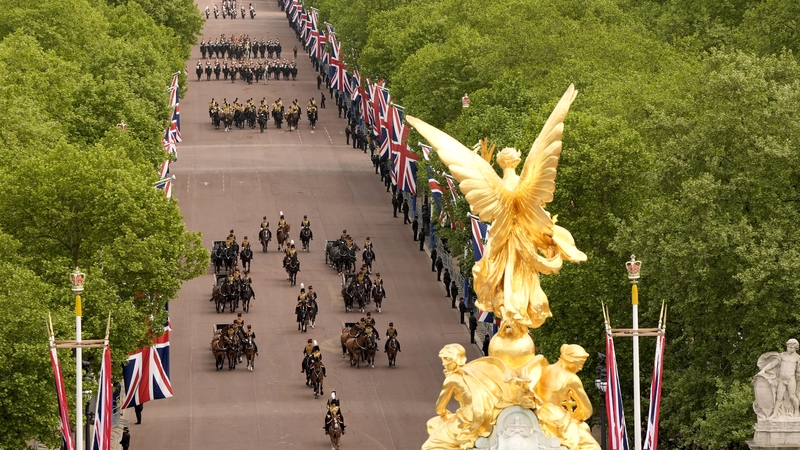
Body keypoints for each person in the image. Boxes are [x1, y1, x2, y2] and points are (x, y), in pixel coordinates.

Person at [534, 344, 597, 450]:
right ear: (571, 360)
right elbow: (587, 411)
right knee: (592, 446)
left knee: (583, 428)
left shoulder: (544, 368)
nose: (580, 368)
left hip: (538, 412)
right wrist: (574, 417)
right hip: (555, 419)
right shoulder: (572, 379)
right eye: (580, 363)